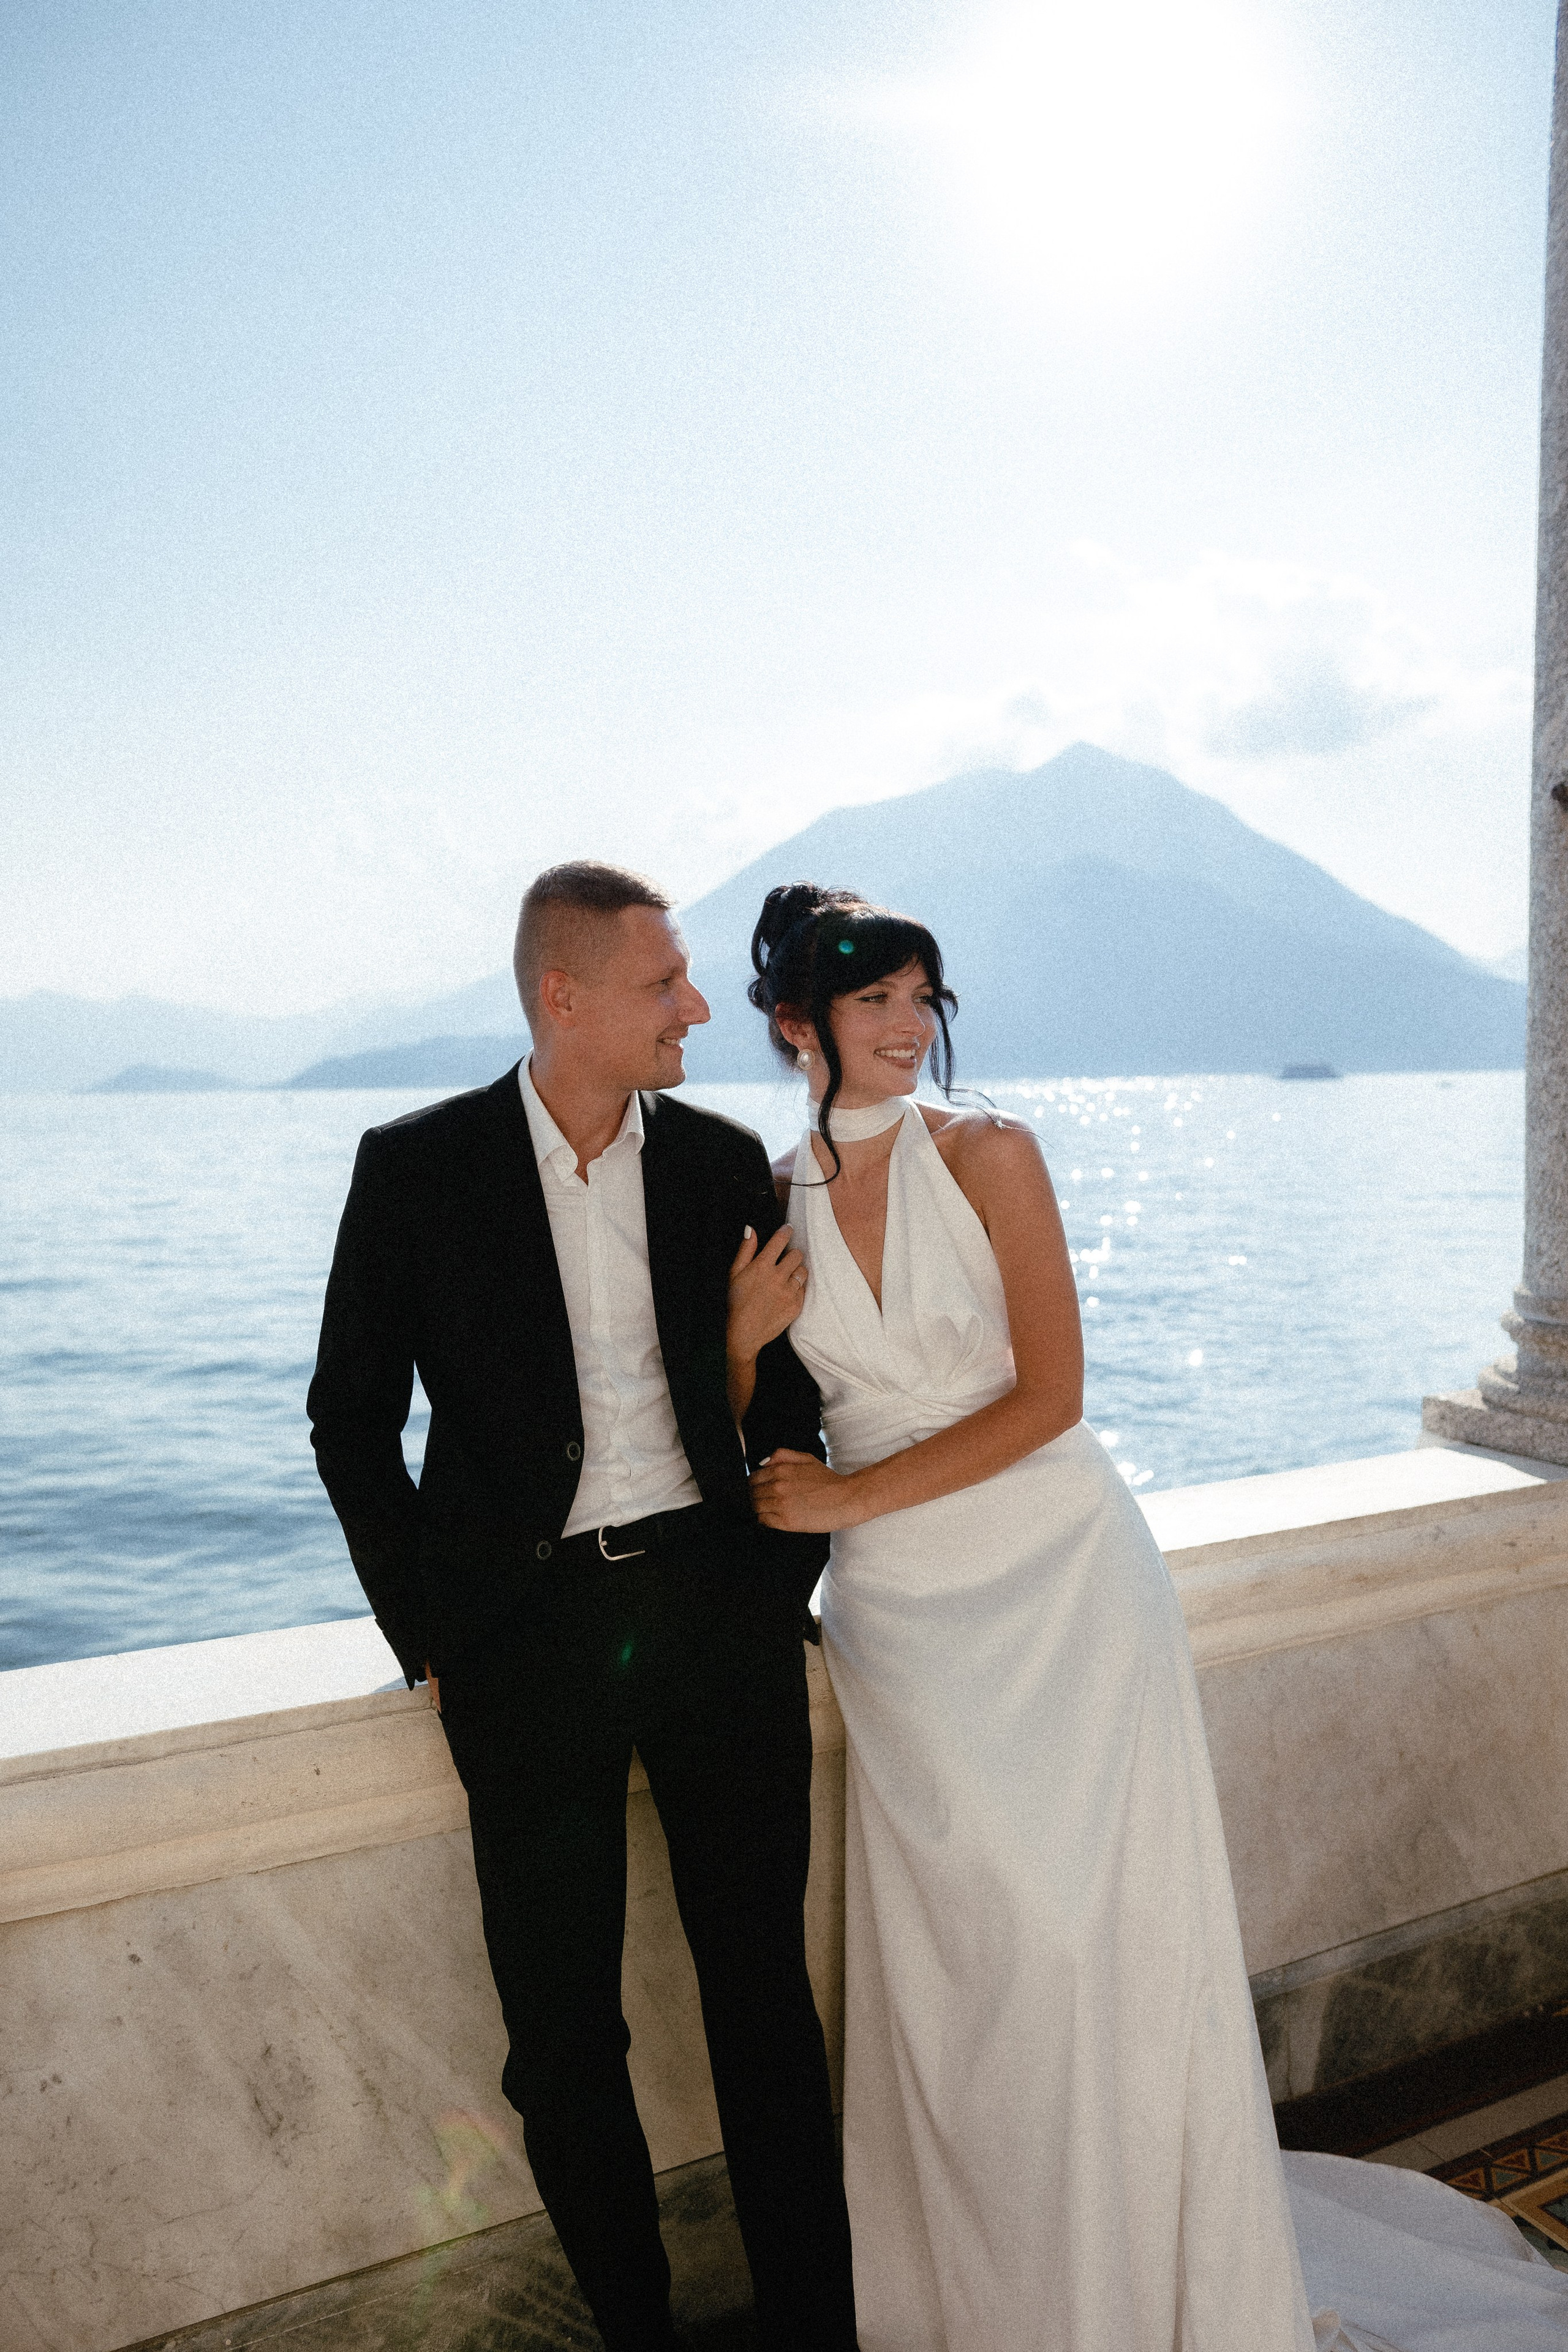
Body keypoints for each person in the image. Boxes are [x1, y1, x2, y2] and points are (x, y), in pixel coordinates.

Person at [726, 880, 1568, 2352]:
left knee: (1083, 1944)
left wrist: (848, 1507)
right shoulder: (768, 1194)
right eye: (874, 1003)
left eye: (924, 998)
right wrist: (740, 1354)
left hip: (1058, 1588)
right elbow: (762, 1440)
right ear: (798, 1023)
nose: (909, 1028)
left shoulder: (990, 1154)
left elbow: (1050, 1399)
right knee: (960, 1973)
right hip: (908, 1633)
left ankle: (1145, 2284)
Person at [307, 862, 856, 2352]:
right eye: (660, 984)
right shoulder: (418, 1168)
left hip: (716, 1624)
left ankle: (819, 2329)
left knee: (764, 2009)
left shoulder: (722, 1163)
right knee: (562, 2044)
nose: (695, 1007)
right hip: (526, 1644)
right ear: (563, 998)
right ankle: (636, 2332)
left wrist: (764, 1585)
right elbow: (347, 1423)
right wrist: (427, 1635)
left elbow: (793, 1406)